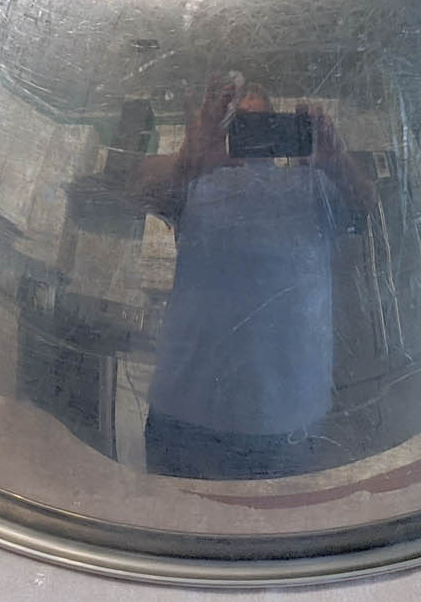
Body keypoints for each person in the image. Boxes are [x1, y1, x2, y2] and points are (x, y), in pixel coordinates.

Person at [135, 80, 373, 480]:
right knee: (172, 530)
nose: (254, 134)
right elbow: (138, 188)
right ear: (220, 130)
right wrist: (187, 160)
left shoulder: (311, 184)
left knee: (278, 534)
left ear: (285, 126)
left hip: (288, 417)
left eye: (264, 123)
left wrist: (336, 160)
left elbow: (365, 208)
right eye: (238, 123)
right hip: (185, 409)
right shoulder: (194, 180)